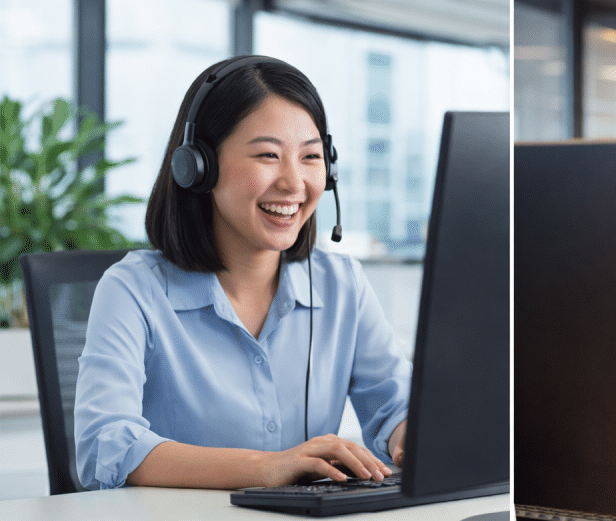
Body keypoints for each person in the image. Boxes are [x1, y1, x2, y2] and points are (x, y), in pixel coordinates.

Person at [74, 56, 411, 490]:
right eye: (268, 155)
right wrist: (268, 467)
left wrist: (413, 437)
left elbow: (396, 406)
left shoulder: (341, 284)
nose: (294, 182)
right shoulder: (134, 290)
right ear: (199, 166)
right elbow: (105, 445)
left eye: (310, 157)